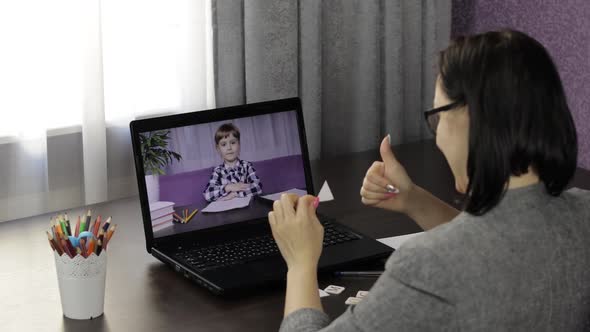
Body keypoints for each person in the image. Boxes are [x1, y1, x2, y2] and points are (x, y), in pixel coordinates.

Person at [269, 29, 590, 331]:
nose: (437, 140)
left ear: (471, 118)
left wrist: (300, 263)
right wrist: (414, 200)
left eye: (437, 117)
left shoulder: (425, 266)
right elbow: (497, 247)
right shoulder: (583, 215)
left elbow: (466, 257)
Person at [203, 123, 262, 202]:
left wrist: (235, 194)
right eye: (224, 144)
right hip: (227, 212)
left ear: (239, 144)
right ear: (218, 149)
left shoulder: (247, 166)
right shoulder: (218, 171)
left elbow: (258, 187)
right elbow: (208, 194)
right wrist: (228, 187)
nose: (229, 148)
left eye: (233, 143)